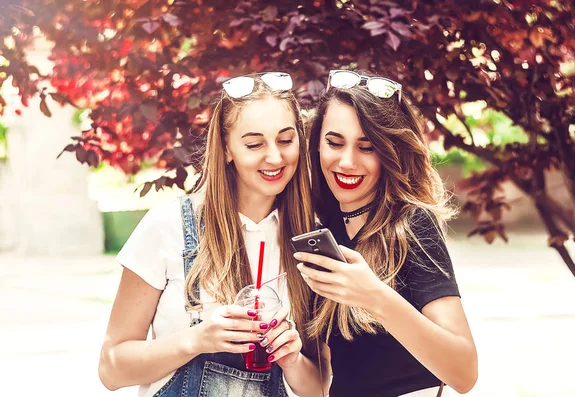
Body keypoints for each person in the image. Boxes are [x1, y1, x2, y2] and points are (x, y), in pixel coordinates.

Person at [98, 72, 329, 397]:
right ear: (227, 149)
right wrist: (196, 340)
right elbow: (111, 369)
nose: (275, 157)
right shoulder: (169, 226)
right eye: (254, 144)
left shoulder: (312, 241)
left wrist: (292, 360)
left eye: (286, 140)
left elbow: (320, 388)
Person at [294, 70, 478, 397]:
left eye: (367, 147)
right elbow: (322, 383)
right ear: (317, 145)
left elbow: (464, 372)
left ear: (390, 151)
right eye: (334, 143)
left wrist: (374, 297)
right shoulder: (319, 231)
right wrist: (289, 355)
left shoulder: (411, 224)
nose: (346, 161)